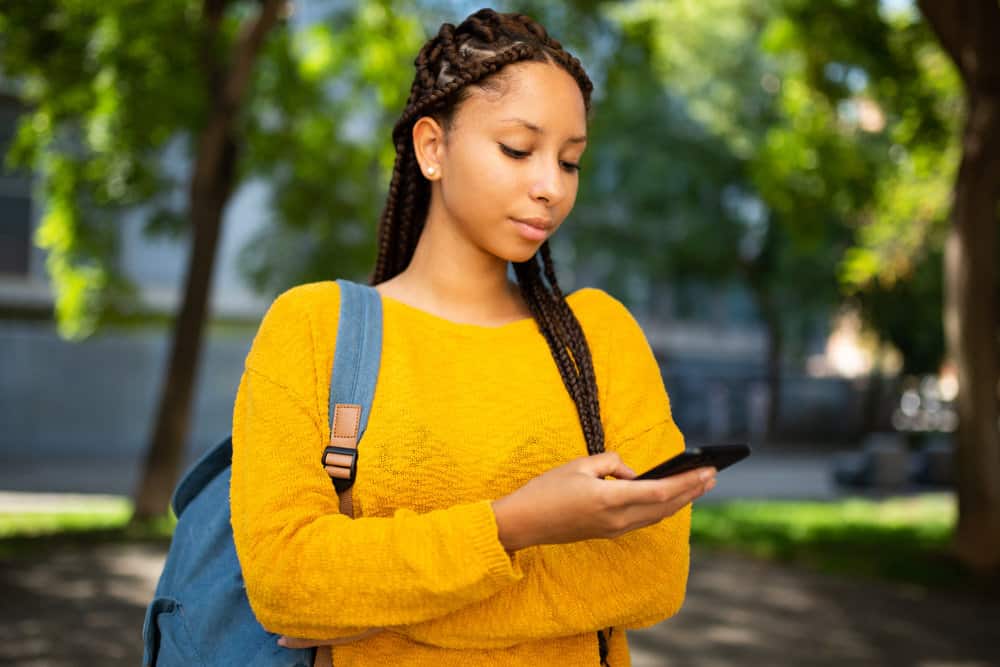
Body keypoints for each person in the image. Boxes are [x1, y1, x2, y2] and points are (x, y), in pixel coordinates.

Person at [230, 8, 717, 667]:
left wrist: (376, 612)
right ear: (432, 147)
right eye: (517, 149)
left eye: (570, 162)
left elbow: (653, 576)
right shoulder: (314, 329)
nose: (550, 187)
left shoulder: (598, 338)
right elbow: (286, 582)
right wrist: (515, 524)